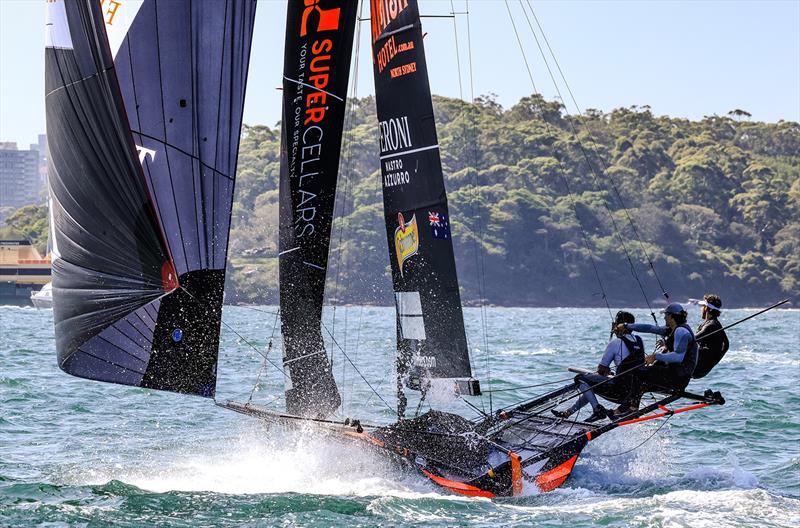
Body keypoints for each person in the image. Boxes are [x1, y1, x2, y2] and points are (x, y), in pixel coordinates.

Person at [552, 311, 645, 423]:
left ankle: (597, 410)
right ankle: (569, 412)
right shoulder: (640, 341)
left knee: (580, 379)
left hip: (619, 391)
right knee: (589, 388)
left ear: (619, 326)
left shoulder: (616, 343)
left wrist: (605, 373)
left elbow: (601, 370)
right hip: (633, 395)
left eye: (615, 324)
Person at [617, 303, 698, 410]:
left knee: (638, 373)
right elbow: (649, 328)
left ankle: (632, 408)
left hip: (678, 378)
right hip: (673, 373)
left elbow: (678, 357)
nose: (664, 317)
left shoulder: (681, 331)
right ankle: (624, 409)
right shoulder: (671, 329)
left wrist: (656, 356)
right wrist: (627, 326)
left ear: (670, 316)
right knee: (642, 380)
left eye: (665, 315)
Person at [692, 294, 729, 378]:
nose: (701, 309)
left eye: (703, 307)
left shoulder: (711, 326)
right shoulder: (716, 324)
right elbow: (726, 345)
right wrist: (714, 361)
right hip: (703, 368)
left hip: (698, 369)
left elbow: (692, 339)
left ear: (707, 308)